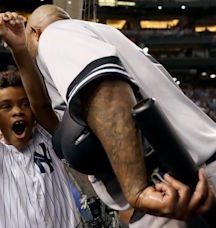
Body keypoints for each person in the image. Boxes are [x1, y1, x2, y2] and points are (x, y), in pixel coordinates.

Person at [22, 4, 215, 227]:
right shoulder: (108, 35)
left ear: (34, 33)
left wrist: (137, 190)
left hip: (179, 189)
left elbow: (107, 90)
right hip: (193, 177)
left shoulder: (55, 35)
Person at [0, 0, 82, 227]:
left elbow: (42, 104)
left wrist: (20, 49)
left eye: (24, 104)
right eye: (6, 106)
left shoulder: (48, 137)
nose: (17, 111)